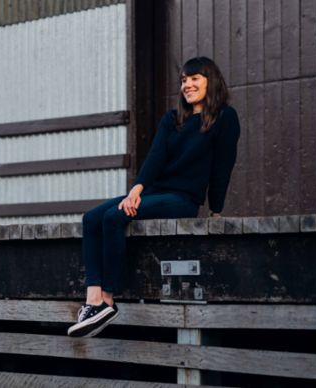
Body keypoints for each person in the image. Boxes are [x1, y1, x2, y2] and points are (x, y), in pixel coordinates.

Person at [67, 57, 240, 338]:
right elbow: (155, 159)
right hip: (155, 192)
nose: (187, 85)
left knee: (113, 218)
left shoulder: (225, 118)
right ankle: (93, 300)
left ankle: (108, 301)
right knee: (91, 218)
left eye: (194, 78)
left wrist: (216, 210)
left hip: (182, 199)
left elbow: (223, 167)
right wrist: (136, 191)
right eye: (184, 80)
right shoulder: (173, 120)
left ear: (211, 80)